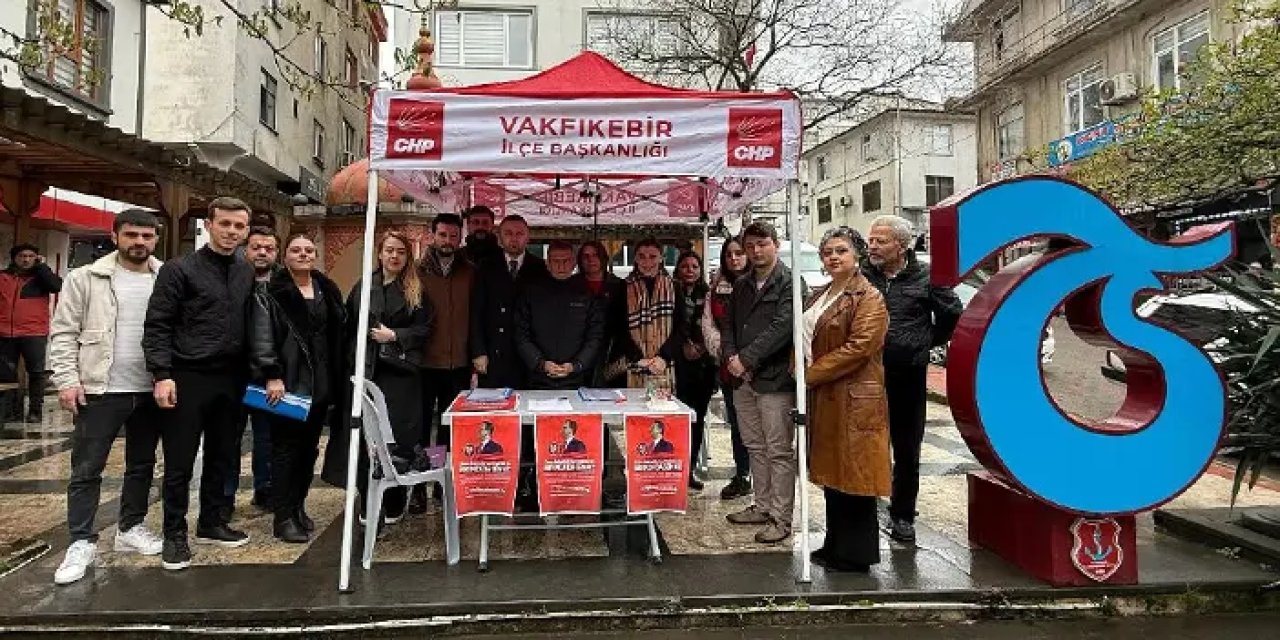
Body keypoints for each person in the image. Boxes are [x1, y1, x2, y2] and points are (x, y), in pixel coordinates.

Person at [48, 210, 165, 585]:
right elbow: (63, 331)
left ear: (155, 239)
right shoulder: (86, 277)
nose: (140, 242)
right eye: (132, 234)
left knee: (142, 464)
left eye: (147, 236)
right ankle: (81, 539)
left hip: (149, 388)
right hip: (100, 387)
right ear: (115, 236)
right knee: (87, 469)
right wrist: (67, 379)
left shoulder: (166, 277)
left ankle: (131, 526)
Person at [143, 196, 256, 570]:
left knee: (224, 457)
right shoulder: (179, 270)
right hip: (187, 375)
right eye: (225, 224)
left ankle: (212, 521)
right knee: (180, 460)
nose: (232, 232)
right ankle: (174, 533)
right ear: (209, 224)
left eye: (239, 226)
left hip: (232, 376)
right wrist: (162, 374)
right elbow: (158, 323)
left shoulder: (245, 269)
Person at [863, 214, 962, 544]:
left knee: (907, 448)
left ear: (902, 246)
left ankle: (903, 514)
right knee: (868, 443)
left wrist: (925, 340)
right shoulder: (862, 274)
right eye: (871, 240)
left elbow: (952, 314)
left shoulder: (927, 276)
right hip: (866, 375)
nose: (872, 246)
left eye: (880, 241)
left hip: (908, 374)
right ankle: (866, 505)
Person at [804, 227, 892, 573]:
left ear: (857, 256)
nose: (833, 257)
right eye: (827, 252)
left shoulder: (869, 296)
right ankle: (835, 542)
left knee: (856, 474)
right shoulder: (822, 293)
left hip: (855, 395)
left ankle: (856, 553)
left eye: (841, 250)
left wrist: (812, 374)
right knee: (832, 472)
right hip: (826, 393)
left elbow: (860, 347)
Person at [249, 234, 347, 543]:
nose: (303, 254)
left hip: (321, 381)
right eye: (296, 250)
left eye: (308, 250)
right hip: (288, 380)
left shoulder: (325, 289)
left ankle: (299, 505)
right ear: (285, 255)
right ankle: (283, 516)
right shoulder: (270, 292)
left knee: (308, 449)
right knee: (285, 450)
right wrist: (271, 374)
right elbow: (262, 337)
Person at [343, 232, 434, 524]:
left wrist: (395, 335)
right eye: (389, 251)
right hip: (368, 371)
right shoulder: (363, 286)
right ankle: (367, 501)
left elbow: (425, 329)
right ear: (380, 253)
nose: (394, 257)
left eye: (401, 252)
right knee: (366, 440)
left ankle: (394, 501)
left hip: (400, 375)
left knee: (397, 438)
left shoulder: (416, 290)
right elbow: (349, 326)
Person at [722, 221, 797, 545]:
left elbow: (783, 327)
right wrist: (732, 359)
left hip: (775, 380)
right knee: (754, 446)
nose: (755, 251)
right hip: (742, 380)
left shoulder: (790, 282)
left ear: (776, 244)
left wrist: (748, 359)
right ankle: (762, 505)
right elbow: (728, 326)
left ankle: (781, 519)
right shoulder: (741, 285)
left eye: (761, 244)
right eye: (750, 245)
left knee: (778, 450)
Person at [415, 213, 475, 513]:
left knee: (451, 426)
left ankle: (443, 482)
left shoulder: (470, 271)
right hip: (425, 363)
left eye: (453, 236)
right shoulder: (417, 271)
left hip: (460, 363)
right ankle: (422, 481)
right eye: (443, 235)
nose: (448, 242)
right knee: (424, 426)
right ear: (432, 236)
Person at [226, 227, 280, 512]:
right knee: (228, 436)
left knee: (267, 436)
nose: (262, 252)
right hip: (232, 373)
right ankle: (225, 495)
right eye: (256, 247)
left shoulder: (284, 284)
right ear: (246, 250)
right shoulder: (230, 280)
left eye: (268, 248)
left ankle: (266, 488)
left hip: (268, 375)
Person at [470, 214, 548, 389]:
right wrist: (478, 351)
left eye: (520, 234)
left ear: (528, 237)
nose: (514, 238)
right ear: (499, 237)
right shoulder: (485, 266)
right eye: (508, 233)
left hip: (530, 354)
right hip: (494, 352)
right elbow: (476, 312)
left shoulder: (540, 267)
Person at [515, 241, 605, 391]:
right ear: (547, 263)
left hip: (578, 379)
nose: (561, 266)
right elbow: (520, 334)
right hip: (537, 379)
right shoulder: (531, 293)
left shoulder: (586, 294)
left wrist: (576, 365)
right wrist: (540, 363)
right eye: (556, 261)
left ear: (574, 263)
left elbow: (595, 336)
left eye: (566, 261)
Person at [703, 236, 752, 500]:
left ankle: (763, 479)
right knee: (736, 423)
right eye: (729, 254)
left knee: (761, 428)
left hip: (758, 367)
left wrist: (746, 357)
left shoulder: (757, 283)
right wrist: (725, 352)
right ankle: (742, 473)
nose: (734, 259)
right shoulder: (716, 287)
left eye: (739, 253)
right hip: (727, 365)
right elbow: (709, 323)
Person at [0, 242, 63, 423]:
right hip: (5, 332)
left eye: (30, 256)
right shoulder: (4, 277)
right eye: (22, 256)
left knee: (36, 373)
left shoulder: (42, 277)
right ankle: (12, 411)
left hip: (34, 332)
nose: (26, 259)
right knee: (6, 374)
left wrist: (42, 266)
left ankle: (35, 410)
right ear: (14, 258)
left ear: (36, 258)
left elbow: (56, 286)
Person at [671, 251, 717, 492]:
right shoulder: (670, 292)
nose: (690, 270)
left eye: (694, 266)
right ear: (677, 269)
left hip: (703, 366)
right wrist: (683, 346)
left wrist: (701, 347)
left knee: (695, 420)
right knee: (675, 421)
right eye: (685, 266)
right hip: (676, 365)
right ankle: (673, 469)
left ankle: (689, 470)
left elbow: (714, 325)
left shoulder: (708, 295)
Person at [608, 239, 679, 390]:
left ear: (661, 258)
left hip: (664, 364)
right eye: (642, 256)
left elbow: (681, 327)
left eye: (652, 256)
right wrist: (638, 357)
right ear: (635, 258)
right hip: (632, 364)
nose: (647, 262)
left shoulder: (674, 286)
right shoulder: (622, 287)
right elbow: (618, 327)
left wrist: (663, 357)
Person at [571, 241, 626, 386]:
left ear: (603, 258)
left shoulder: (619, 285)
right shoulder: (572, 285)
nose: (591, 260)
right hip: (578, 350)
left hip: (610, 351)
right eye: (586, 256)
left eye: (595, 255)